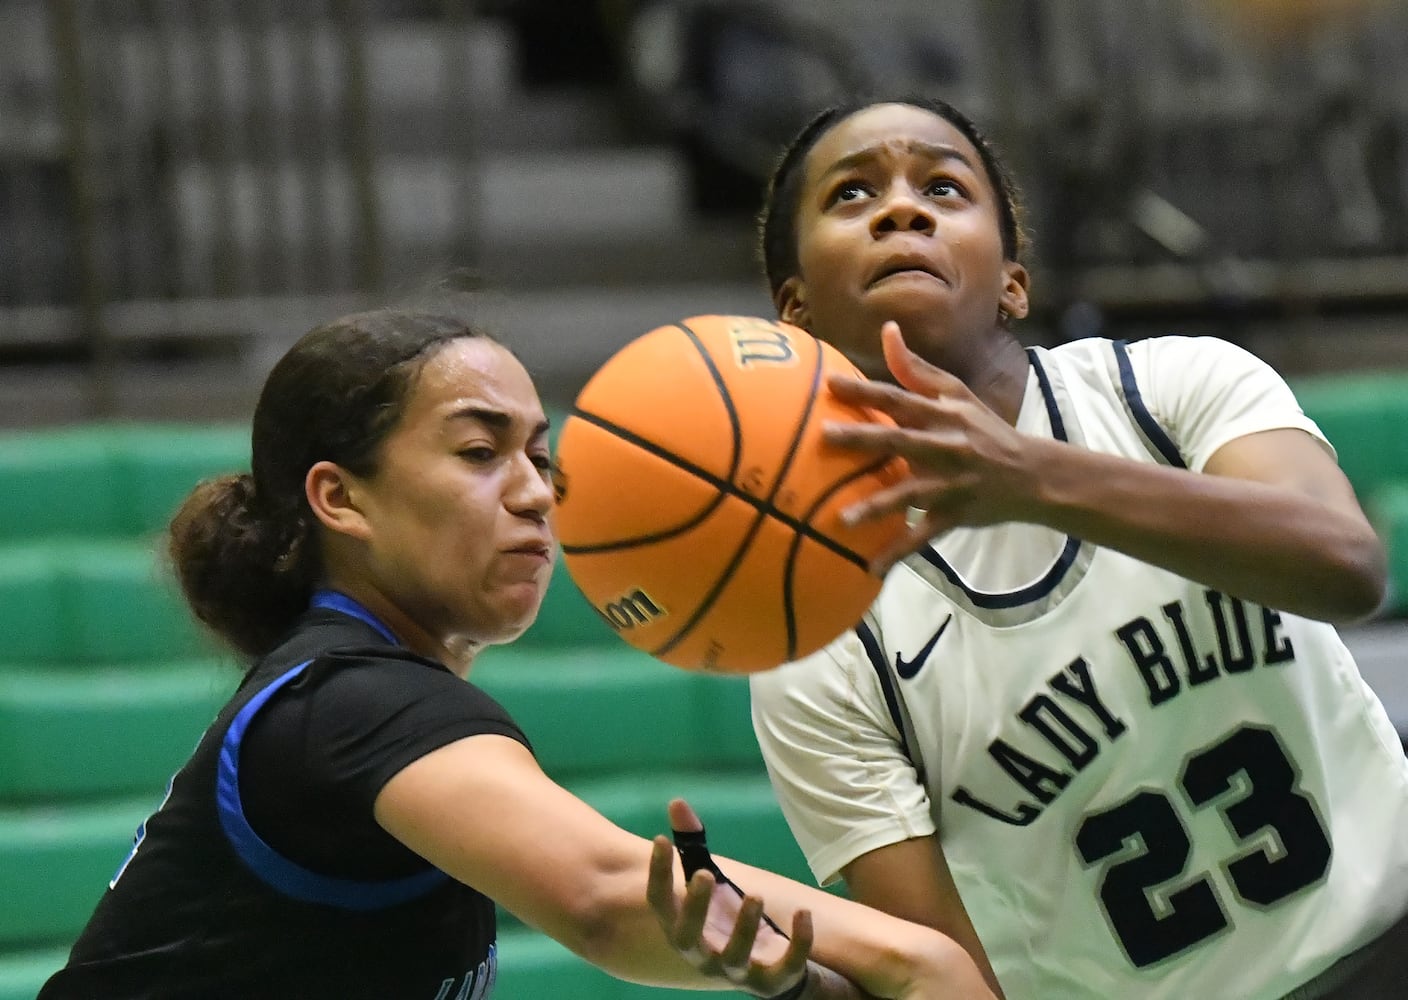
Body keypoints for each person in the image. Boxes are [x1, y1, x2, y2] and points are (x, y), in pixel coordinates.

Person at [37, 306, 997, 1000]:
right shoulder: (354, 704)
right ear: (342, 499)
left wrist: (804, 972)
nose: (536, 492)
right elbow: (604, 894)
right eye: (477, 452)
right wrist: (920, 960)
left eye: (540, 456)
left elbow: (637, 922)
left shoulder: (354, 691)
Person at [745, 95, 1408, 1000]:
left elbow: (1348, 565)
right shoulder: (818, 632)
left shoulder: (1170, 389)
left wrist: (1029, 478)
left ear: (1013, 280)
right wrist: (801, 986)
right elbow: (945, 978)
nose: (904, 209)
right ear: (796, 313)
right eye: (854, 195)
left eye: (943, 185)